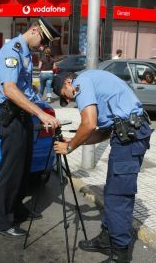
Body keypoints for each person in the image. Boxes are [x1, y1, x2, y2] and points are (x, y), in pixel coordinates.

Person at [53, 70, 152, 263]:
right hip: (125, 134)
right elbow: (104, 132)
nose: (71, 99)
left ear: (68, 82)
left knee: (118, 197)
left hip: (129, 138)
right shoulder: (93, 80)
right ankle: (107, 238)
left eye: (65, 95)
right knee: (112, 192)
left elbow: (89, 124)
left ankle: (120, 253)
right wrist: (73, 141)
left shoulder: (81, 82)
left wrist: (70, 147)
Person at [0, 17, 61, 238]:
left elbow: (28, 90)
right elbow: (11, 90)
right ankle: (4, 222)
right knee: (11, 171)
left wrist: (46, 108)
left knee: (23, 169)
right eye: (43, 42)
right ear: (34, 30)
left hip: (24, 118)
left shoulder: (25, 53)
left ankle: (18, 209)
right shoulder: (11, 50)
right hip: (12, 117)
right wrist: (40, 113)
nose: (43, 48)